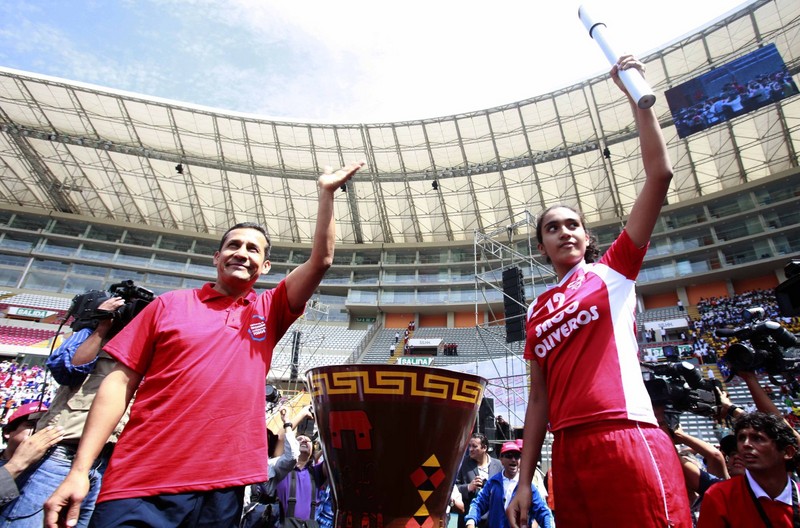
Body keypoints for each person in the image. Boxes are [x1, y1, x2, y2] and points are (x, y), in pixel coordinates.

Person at [44, 161, 365, 528]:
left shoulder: (268, 310)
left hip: (224, 489)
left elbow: (321, 260)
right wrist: (81, 469)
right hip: (142, 480)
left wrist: (326, 194)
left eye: (253, 249)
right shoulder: (168, 305)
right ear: (217, 257)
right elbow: (118, 383)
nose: (242, 252)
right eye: (233, 245)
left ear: (264, 266)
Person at [508, 56, 691, 528]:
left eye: (574, 224)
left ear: (588, 238)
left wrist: (638, 98)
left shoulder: (614, 272)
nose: (565, 232)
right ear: (542, 246)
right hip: (566, 451)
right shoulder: (536, 309)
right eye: (552, 228)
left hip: (626, 432)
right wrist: (526, 480)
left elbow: (659, 176)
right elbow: (537, 402)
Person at [0, 296, 127, 528]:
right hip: (62, 453)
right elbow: (66, 369)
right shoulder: (89, 332)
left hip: (109, 461)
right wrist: (101, 325)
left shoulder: (144, 345)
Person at [697, 412, 798, 527]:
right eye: (741, 438)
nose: (746, 444)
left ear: (787, 452)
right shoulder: (719, 496)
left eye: (758, 438)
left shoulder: (797, 495)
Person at [465, 442, 553, 528]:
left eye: (517, 456)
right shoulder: (493, 483)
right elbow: (478, 504)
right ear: (501, 459)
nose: (513, 459)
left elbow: (543, 512)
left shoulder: (527, 487)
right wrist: (471, 521)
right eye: (509, 456)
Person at [0, 403, 62, 507]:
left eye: (45, 425)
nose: (38, 430)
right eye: (32, 424)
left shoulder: (51, 471)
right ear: (7, 432)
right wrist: (17, 464)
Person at [455, 433, 502, 528]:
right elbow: (453, 488)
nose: (470, 449)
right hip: (468, 520)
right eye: (469, 446)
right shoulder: (462, 463)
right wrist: (469, 487)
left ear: (484, 448)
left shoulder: (499, 465)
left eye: (474, 446)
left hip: (492, 521)